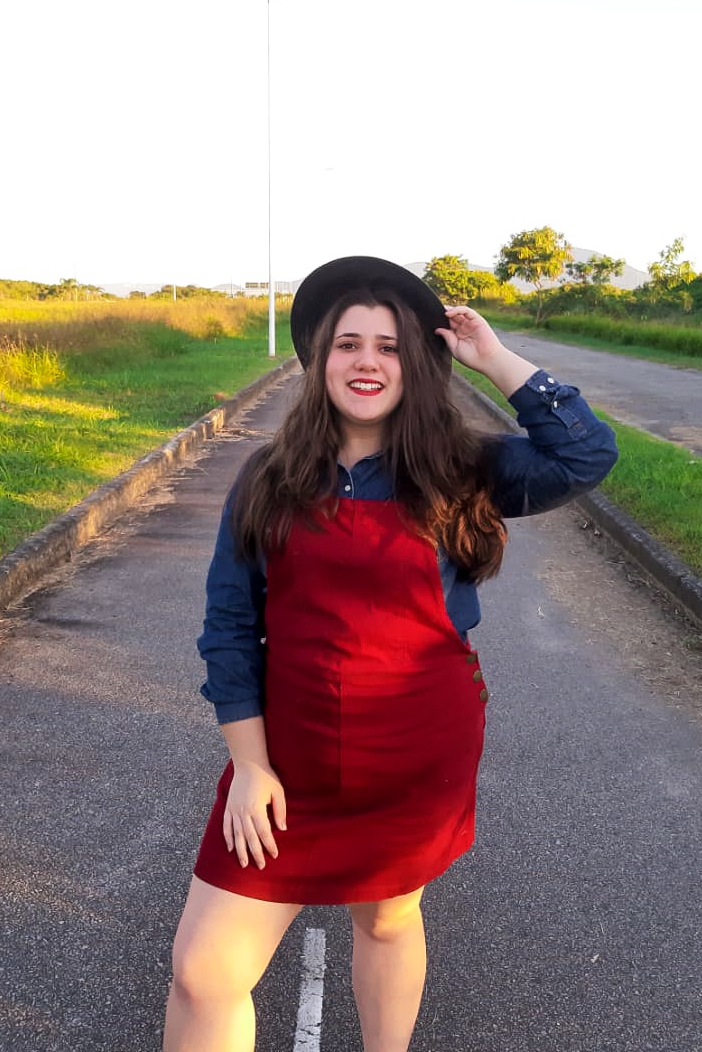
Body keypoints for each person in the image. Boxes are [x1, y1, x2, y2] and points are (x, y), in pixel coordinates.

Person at [163, 255, 618, 1052]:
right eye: (347, 344)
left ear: (416, 363)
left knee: (386, 919)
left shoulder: (461, 469)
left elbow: (584, 455)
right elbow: (228, 626)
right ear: (318, 361)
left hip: (414, 753)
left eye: (389, 346)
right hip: (288, 757)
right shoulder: (269, 476)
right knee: (204, 972)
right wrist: (250, 767)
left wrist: (494, 358)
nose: (366, 362)